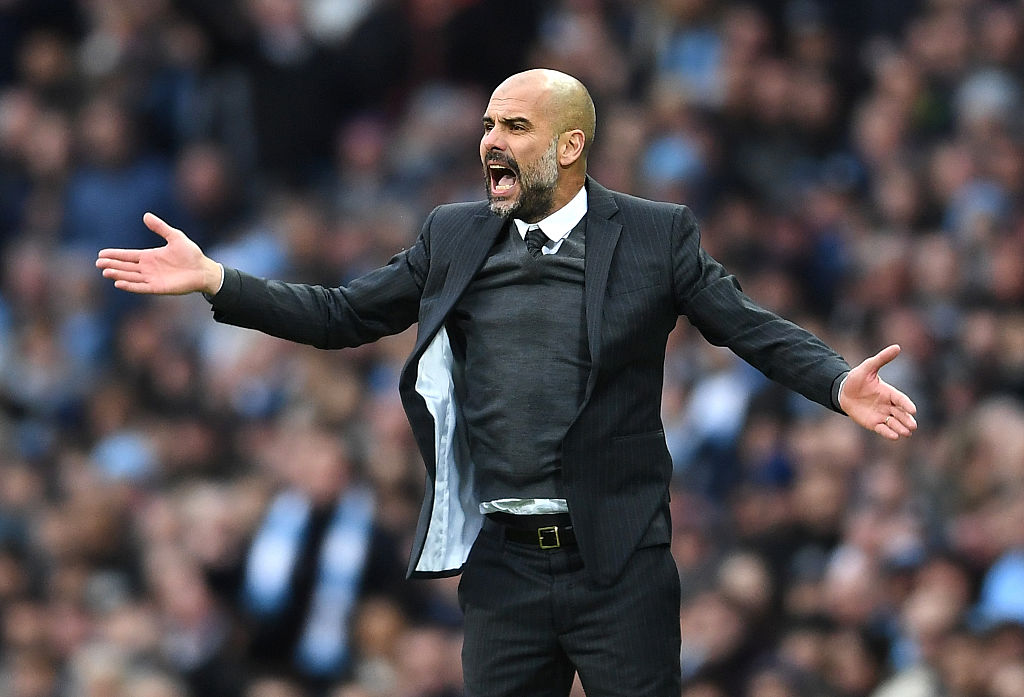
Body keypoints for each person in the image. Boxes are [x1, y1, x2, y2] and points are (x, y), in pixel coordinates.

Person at [96, 69, 917, 697]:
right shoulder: (453, 234)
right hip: (504, 565)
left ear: (569, 146)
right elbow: (343, 314)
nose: (490, 138)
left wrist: (837, 381)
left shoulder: (656, 235)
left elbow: (747, 325)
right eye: (487, 123)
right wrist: (215, 281)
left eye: (514, 126)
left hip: (620, 562)